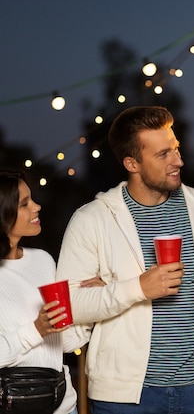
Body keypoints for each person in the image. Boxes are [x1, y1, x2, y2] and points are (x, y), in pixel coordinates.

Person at [55, 106, 194, 414]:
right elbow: (66, 307)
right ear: (132, 163)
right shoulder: (93, 219)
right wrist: (136, 288)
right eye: (163, 154)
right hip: (123, 398)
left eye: (176, 149)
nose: (178, 161)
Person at [0, 170, 85, 414]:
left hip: (63, 405)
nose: (37, 207)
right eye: (24, 204)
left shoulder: (43, 260)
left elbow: (62, 342)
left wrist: (89, 301)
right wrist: (36, 329)